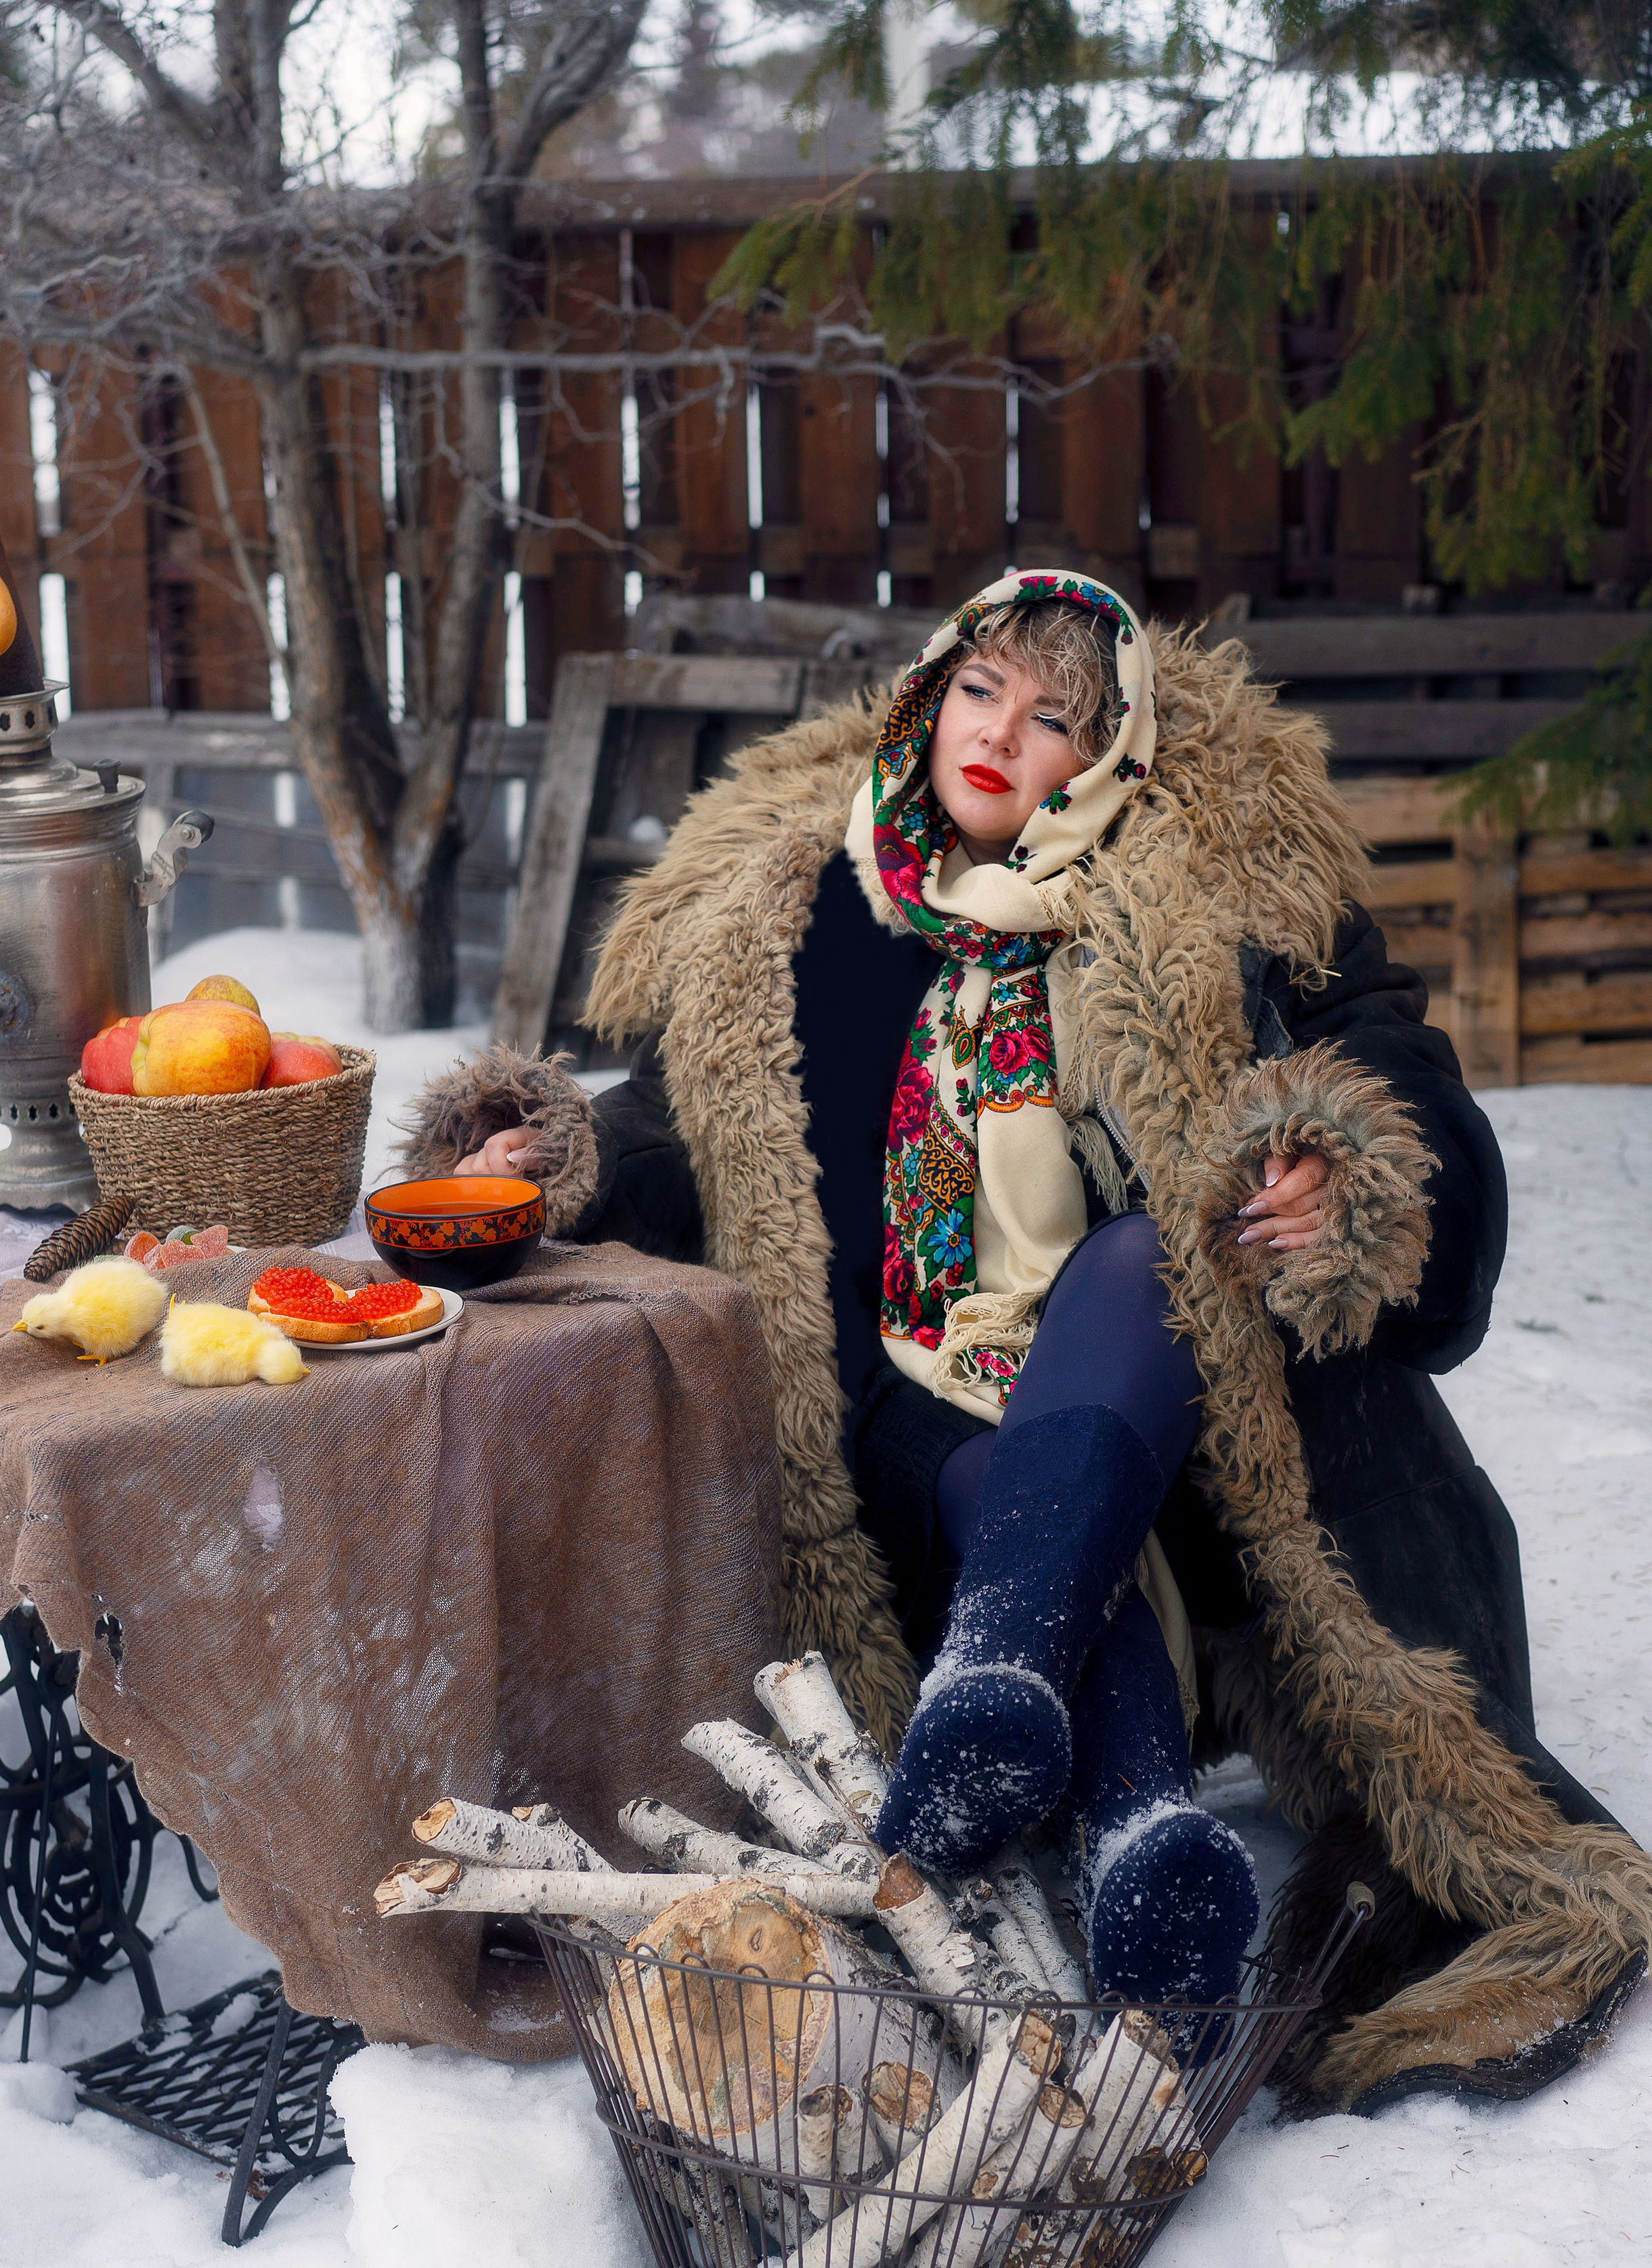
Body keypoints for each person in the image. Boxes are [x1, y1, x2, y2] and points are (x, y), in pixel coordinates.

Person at [404, 569, 1652, 2114]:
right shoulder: (798, 902)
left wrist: (1340, 1164)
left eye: (1056, 715)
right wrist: (564, 1160)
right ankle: (1137, 1826)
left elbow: (1378, 1052)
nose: (1003, 734)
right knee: (1014, 1472)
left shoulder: (1218, 885)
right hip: (899, 1430)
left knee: (1137, 1266)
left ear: (1110, 750)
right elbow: (686, 1130)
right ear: (929, 698)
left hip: (1176, 1414)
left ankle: (1008, 1693)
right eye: (980, 691)